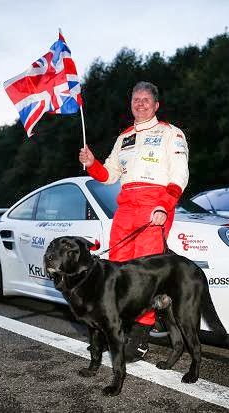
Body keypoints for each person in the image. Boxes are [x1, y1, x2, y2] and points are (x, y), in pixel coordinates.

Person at [78, 81, 189, 361]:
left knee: (145, 276)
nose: (140, 104)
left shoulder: (171, 133)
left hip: (154, 206)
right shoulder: (124, 137)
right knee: (117, 273)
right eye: (135, 100)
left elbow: (180, 174)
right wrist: (91, 163)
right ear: (131, 105)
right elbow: (109, 176)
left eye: (145, 100)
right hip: (125, 209)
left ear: (156, 105)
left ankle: (140, 338)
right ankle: (116, 331)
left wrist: (164, 205)